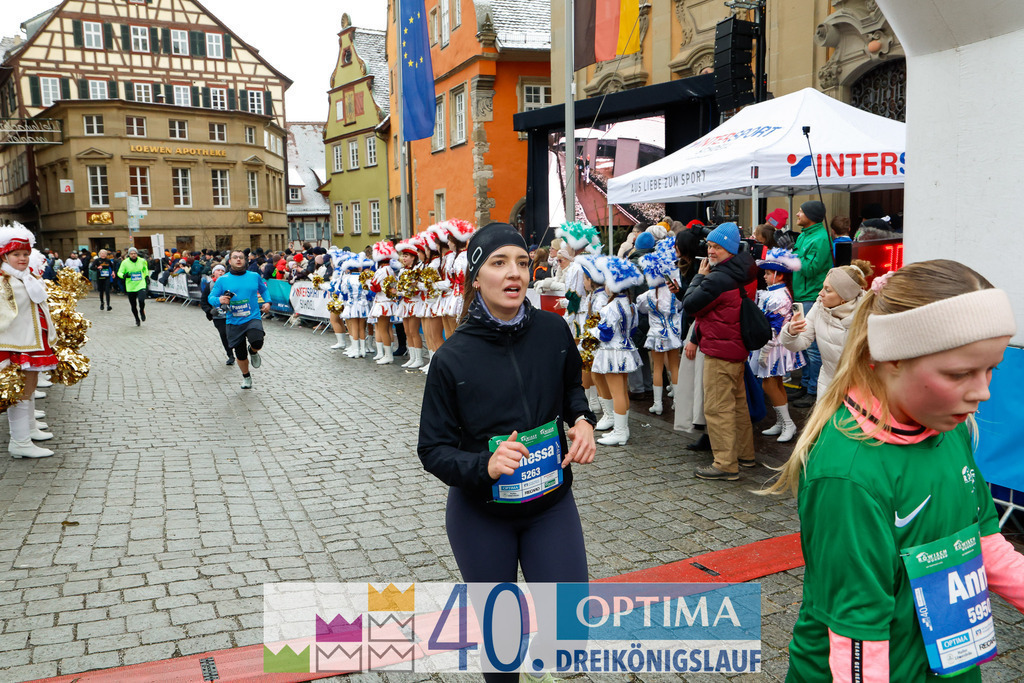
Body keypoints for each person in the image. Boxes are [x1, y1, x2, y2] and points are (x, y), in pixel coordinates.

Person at [769, 260, 1024, 681]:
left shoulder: (949, 426)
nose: (983, 392)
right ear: (890, 359)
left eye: (990, 368)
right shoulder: (849, 475)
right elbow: (856, 638)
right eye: (960, 373)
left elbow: (982, 541)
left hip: (948, 666)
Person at [417, 223, 597, 683]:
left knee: (571, 629)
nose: (514, 273)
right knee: (502, 644)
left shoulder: (554, 331)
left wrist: (582, 422)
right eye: (499, 263)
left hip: (550, 506)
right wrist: (484, 464)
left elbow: (573, 390)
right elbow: (432, 449)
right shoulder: (451, 358)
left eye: (521, 262)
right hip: (482, 514)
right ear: (476, 279)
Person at [681, 222, 757, 480]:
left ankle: (725, 463)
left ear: (730, 249)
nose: (711, 251)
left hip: (719, 349)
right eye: (710, 246)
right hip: (735, 347)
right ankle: (745, 455)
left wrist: (698, 277)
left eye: (717, 247)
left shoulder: (718, 278)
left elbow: (689, 305)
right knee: (737, 405)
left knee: (717, 408)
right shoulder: (740, 271)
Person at [0, 224, 57, 458]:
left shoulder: (25, 277)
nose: (22, 258)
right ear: (5, 255)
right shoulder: (3, 280)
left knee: (29, 386)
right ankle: (20, 441)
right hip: (13, 344)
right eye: (16, 255)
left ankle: (27, 430)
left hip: (31, 341)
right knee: (19, 390)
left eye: (25, 254)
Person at [780, 260, 872, 398]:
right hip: (828, 385)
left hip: (862, 390)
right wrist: (791, 332)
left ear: (844, 296)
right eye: (823, 287)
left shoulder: (869, 314)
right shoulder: (818, 307)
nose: (820, 293)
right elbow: (800, 343)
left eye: (827, 290)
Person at [581, 254, 644, 446]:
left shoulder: (611, 306)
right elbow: (632, 329)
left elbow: (605, 334)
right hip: (625, 350)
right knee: (622, 392)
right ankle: (620, 430)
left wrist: (588, 334)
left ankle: (620, 431)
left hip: (612, 352)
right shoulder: (630, 305)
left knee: (617, 393)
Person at [749, 248, 805, 443]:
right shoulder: (775, 293)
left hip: (774, 346)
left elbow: (773, 327)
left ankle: (788, 423)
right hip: (773, 344)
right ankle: (782, 422)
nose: (764, 276)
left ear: (779, 275)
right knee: (776, 384)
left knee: (770, 384)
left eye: (767, 273)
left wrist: (764, 350)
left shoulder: (778, 297)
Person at [207, 249, 271, 389]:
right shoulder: (223, 280)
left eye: (241, 257)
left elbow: (264, 289)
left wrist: (267, 302)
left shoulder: (254, 276)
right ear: (230, 261)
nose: (238, 260)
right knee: (240, 353)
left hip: (252, 316)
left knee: (257, 340)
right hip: (233, 321)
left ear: (245, 260)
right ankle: (246, 377)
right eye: (235, 257)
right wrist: (219, 299)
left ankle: (253, 351)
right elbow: (210, 297)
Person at [790, 200, 832, 408]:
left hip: (811, 296)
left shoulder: (821, 238)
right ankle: (806, 386)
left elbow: (810, 269)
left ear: (811, 216)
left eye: (801, 211)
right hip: (800, 295)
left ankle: (814, 390)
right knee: (803, 345)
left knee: (813, 347)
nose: (797, 214)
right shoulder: (805, 235)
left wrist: (791, 255)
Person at [636, 238, 684, 416]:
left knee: (657, 369)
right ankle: (678, 402)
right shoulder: (674, 293)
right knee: (675, 367)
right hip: (673, 333)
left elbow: (640, 309)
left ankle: (658, 404)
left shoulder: (646, 295)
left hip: (656, 335)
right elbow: (680, 307)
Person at [199, 264, 234, 365]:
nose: (220, 272)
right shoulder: (209, 285)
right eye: (218, 270)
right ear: (214, 273)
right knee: (224, 334)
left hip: (232, 314)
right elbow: (203, 301)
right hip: (218, 316)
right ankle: (230, 355)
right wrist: (210, 311)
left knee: (234, 334)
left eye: (222, 271)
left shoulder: (230, 284)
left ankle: (239, 351)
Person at [117, 246, 149, 326]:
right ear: (129, 254)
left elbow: (145, 269)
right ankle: (137, 318)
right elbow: (119, 272)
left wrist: (146, 276)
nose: (133, 255)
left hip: (140, 283)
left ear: (137, 254)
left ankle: (142, 310)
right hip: (130, 286)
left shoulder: (142, 261)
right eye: (131, 254)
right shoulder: (125, 262)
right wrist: (124, 276)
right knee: (133, 304)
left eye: (135, 253)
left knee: (141, 300)